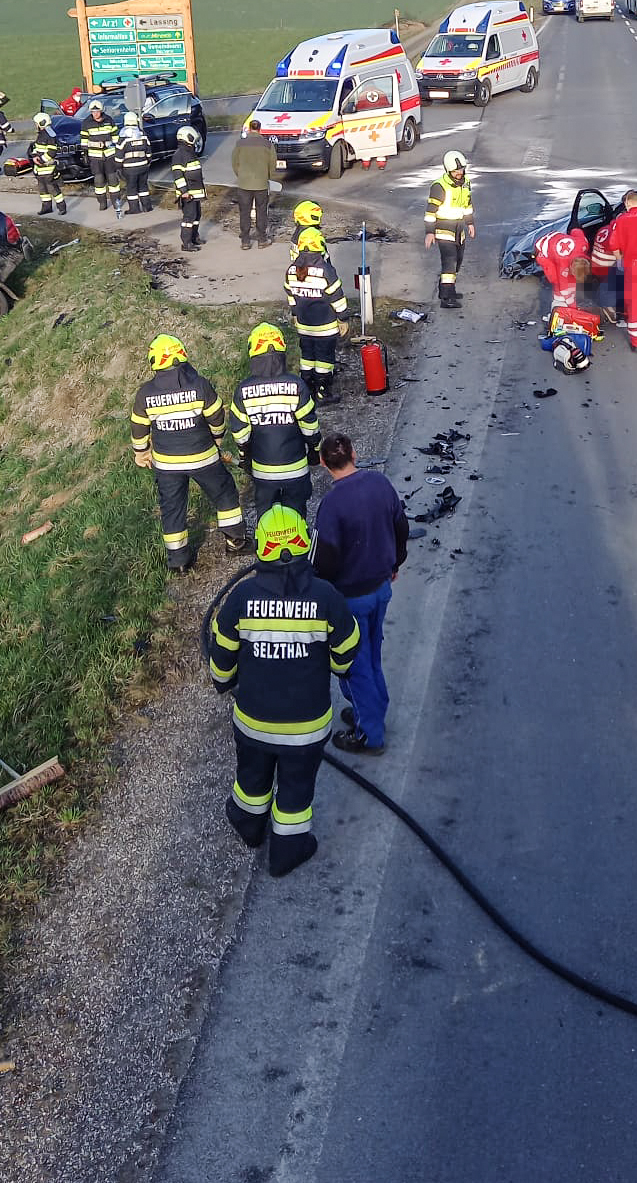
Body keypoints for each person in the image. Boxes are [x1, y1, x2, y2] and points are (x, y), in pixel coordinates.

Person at [208, 504, 358, 877]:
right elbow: (346, 653)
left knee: (252, 779)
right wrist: (332, 665)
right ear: (306, 545)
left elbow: (222, 653)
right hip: (307, 729)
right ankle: (287, 850)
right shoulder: (327, 597)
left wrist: (224, 682)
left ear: (261, 550)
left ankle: (248, 826)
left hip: (253, 723)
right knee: (295, 787)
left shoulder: (241, 598)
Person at [313, 433, 409, 755]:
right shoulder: (380, 484)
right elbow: (401, 527)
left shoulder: (331, 505)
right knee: (372, 654)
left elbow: (325, 559)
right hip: (381, 588)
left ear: (324, 464)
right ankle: (371, 711)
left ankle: (371, 735)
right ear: (354, 453)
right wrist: (396, 562)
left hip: (350, 598)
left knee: (354, 664)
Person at [132, 333, 247, 569]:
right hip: (203, 457)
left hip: (166, 465)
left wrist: (141, 452)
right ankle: (235, 542)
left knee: (172, 509)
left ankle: (179, 562)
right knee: (224, 494)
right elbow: (216, 416)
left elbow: (139, 427)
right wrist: (217, 438)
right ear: (182, 355)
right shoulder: (200, 385)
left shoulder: (145, 393)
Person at [227, 322, 321, 519]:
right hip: (295, 467)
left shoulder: (243, 390)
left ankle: (268, 547)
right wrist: (314, 450)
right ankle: (298, 547)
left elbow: (240, 432)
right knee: (296, 516)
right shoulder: (297, 385)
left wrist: (245, 456)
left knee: (267, 516)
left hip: (263, 471)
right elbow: (309, 426)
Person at [592, 192, 637, 354]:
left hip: (632, 267)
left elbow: (613, 245)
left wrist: (620, 261)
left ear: (627, 204)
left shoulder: (621, 220)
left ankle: (636, 344)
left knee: (633, 304)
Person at [284, 228, 349, 399]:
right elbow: (337, 297)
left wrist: (295, 315)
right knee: (324, 359)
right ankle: (323, 391)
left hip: (304, 326)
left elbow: (291, 295)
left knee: (307, 356)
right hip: (325, 326)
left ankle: (307, 389)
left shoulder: (291, 270)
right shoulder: (325, 270)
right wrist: (343, 319)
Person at [423, 150, 474, 309]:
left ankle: (447, 290)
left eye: (461, 170)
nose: (459, 173)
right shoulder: (439, 186)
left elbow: (467, 205)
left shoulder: (466, 182)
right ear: (448, 170)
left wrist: (470, 223)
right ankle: (446, 298)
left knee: (457, 262)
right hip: (444, 229)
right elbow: (430, 212)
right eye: (455, 171)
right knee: (449, 263)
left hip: (459, 229)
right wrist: (430, 233)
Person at [230, 118, 278, 250]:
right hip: (261, 184)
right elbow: (273, 164)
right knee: (261, 211)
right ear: (260, 129)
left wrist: (240, 175)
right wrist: (267, 176)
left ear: (249, 129)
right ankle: (262, 239)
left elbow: (234, 162)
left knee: (244, 212)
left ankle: (245, 241)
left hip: (244, 184)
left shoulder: (240, 144)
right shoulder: (267, 145)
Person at [533, 225, 590, 318]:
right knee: (555, 280)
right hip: (542, 247)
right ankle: (556, 306)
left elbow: (576, 231)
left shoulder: (583, 244)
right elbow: (564, 288)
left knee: (568, 281)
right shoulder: (563, 265)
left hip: (557, 237)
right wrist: (572, 306)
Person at [79, 98, 122, 211]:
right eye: (93, 112)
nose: (95, 114)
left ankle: (116, 201)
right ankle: (102, 203)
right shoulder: (86, 123)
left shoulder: (109, 120)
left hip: (109, 156)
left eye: (97, 111)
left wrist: (118, 152)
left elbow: (116, 138)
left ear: (101, 111)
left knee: (113, 180)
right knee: (99, 181)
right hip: (95, 157)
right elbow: (84, 140)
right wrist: (84, 154)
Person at [170, 125, 206, 250]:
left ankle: (194, 237)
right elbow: (178, 176)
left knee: (197, 216)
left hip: (195, 192)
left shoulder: (189, 152)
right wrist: (184, 191)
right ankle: (186, 243)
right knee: (189, 217)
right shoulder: (179, 155)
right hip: (188, 193)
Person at [30, 111, 66, 217]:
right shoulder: (41, 135)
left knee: (52, 188)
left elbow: (52, 151)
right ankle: (46, 207)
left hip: (48, 168)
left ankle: (62, 207)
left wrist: (41, 160)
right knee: (42, 189)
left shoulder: (49, 135)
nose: (35, 125)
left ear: (41, 123)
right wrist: (34, 156)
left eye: (36, 123)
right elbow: (36, 148)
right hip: (40, 169)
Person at [117, 112, 152, 215]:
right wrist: (148, 161)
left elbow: (119, 154)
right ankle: (147, 207)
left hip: (129, 168)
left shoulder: (123, 136)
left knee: (131, 189)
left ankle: (134, 208)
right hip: (143, 166)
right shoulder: (142, 134)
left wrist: (118, 167)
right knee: (143, 187)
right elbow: (149, 150)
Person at [288, 199, 326, 263]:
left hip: (298, 265)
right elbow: (323, 255)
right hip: (314, 265)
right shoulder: (312, 233)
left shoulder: (297, 233)